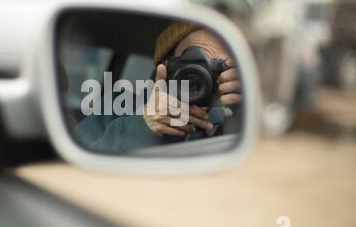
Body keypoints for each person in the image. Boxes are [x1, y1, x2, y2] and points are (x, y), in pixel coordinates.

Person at [74, 22, 241, 153]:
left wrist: (245, 112)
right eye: (192, 62)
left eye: (216, 67)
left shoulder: (227, 122)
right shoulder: (118, 106)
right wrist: (141, 125)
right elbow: (71, 169)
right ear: (164, 66)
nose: (201, 75)